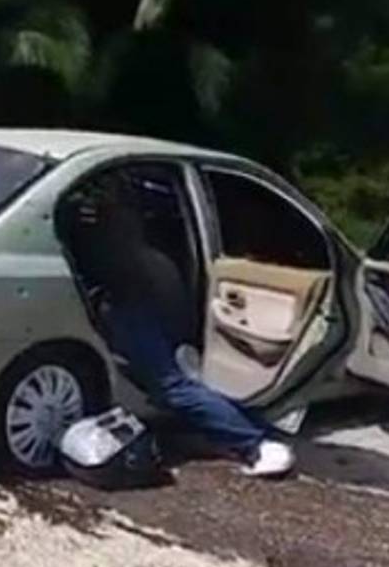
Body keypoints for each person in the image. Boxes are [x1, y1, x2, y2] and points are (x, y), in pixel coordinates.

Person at [92, 175, 295, 478]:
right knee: (181, 386)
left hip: (134, 313)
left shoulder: (120, 256)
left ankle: (255, 444)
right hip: (148, 314)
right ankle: (254, 432)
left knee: (173, 389)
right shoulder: (154, 259)